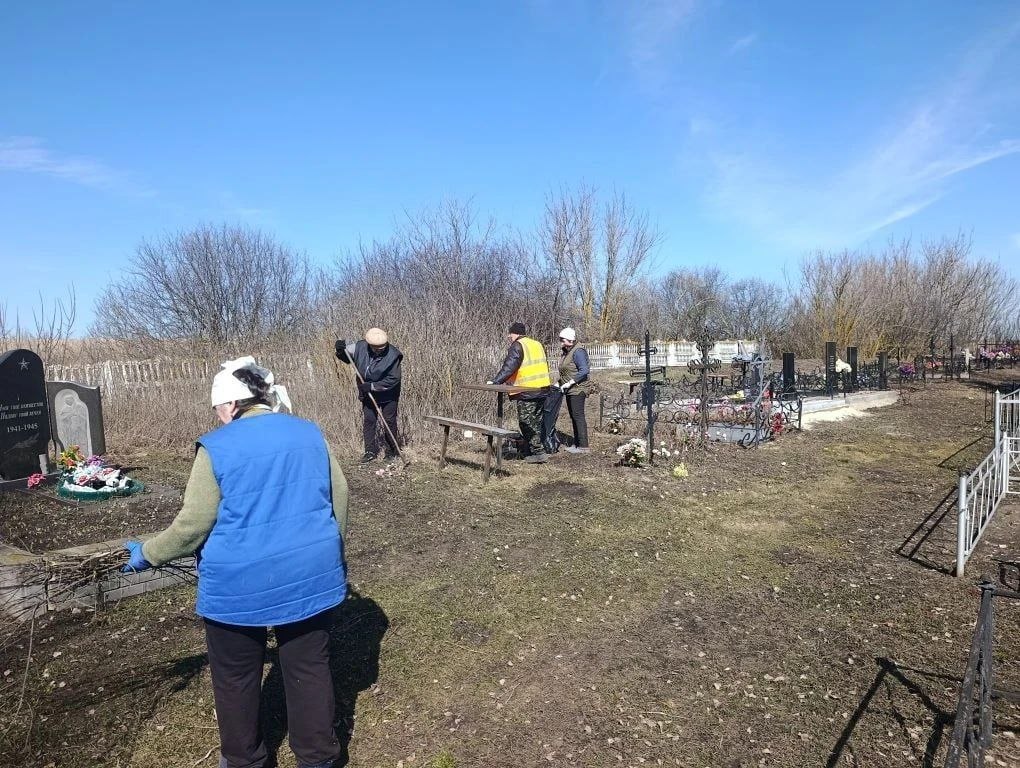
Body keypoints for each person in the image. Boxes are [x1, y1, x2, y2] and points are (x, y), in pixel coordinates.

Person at [122, 357, 348, 768]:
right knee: (310, 668)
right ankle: (319, 758)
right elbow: (340, 497)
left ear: (229, 405)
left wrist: (148, 553)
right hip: (310, 572)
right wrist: (327, 551)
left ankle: (245, 761)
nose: (218, 418)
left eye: (217, 410)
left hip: (239, 583)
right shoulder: (309, 431)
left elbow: (193, 524)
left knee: (235, 677)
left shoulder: (217, 446)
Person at [334, 328, 403, 463]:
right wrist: (340, 350)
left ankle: (391, 452)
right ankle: (370, 451)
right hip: (367, 393)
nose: (380, 350)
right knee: (370, 420)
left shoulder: (393, 355)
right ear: (369, 344)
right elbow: (347, 357)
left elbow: (393, 379)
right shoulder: (359, 347)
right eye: (376, 348)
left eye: (382, 348)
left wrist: (372, 386)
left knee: (389, 421)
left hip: (388, 393)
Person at [488, 321, 551, 463]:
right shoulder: (537, 344)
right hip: (542, 388)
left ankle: (538, 452)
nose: (509, 336)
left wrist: (496, 381)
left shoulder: (518, 345)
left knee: (525, 422)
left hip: (527, 390)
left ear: (515, 333)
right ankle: (530, 451)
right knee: (535, 422)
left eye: (510, 333)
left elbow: (510, 366)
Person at [542, 327, 592, 454]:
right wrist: (558, 384)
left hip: (578, 389)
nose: (561, 342)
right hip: (569, 389)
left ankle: (583, 446)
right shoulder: (567, 352)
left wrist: (570, 382)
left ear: (570, 340)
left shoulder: (578, 351)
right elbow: (566, 372)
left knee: (578, 416)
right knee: (574, 416)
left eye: (562, 340)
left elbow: (584, 370)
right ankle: (577, 444)